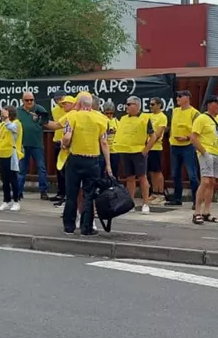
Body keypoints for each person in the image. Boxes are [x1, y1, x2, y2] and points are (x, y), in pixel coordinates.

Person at [59, 92, 112, 236]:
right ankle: (86, 228)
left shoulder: (72, 116)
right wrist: (108, 165)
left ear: (80, 104)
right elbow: (104, 142)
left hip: (75, 158)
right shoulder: (101, 119)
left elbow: (68, 136)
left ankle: (69, 227)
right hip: (93, 160)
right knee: (89, 195)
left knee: (71, 194)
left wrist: (64, 144)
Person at [113, 96, 156, 213]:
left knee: (142, 177)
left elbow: (153, 136)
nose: (126, 106)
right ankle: (130, 203)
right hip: (125, 151)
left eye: (129, 104)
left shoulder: (145, 118)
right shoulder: (123, 119)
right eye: (126, 104)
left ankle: (145, 203)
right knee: (129, 178)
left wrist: (146, 150)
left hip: (138, 152)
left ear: (137, 106)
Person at [190, 96, 218, 225]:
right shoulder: (201, 118)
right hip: (206, 152)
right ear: (210, 105)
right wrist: (204, 152)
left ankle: (207, 212)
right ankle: (197, 212)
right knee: (205, 181)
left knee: (212, 182)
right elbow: (193, 137)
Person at [16, 91, 51, 200]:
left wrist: (39, 118)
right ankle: (19, 191)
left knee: (41, 168)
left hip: (37, 143)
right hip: (23, 144)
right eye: (27, 100)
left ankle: (43, 191)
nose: (30, 102)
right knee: (22, 169)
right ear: (23, 101)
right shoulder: (18, 111)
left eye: (31, 99)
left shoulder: (39, 109)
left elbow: (46, 121)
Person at [168, 90, 200, 206]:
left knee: (192, 174)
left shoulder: (194, 113)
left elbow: (197, 131)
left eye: (180, 96)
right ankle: (177, 199)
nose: (177, 98)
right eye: (177, 97)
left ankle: (196, 200)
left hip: (188, 146)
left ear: (187, 98)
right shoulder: (175, 111)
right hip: (175, 146)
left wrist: (187, 138)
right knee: (175, 173)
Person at [0, 104, 24, 211]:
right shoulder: (3, 124)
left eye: (4, 113)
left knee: (13, 179)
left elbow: (12, 129)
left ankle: (16, 201)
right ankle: (6, 200)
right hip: (1, 154)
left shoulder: (17, 124)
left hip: (11, 154)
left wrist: (6, 118)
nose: (2, 115)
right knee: (4, 180)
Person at [48, 93, 75, 206]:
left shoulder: (73, 113)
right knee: (59, 169)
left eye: (62, 100)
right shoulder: (55, 110)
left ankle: (68, 196)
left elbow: (59, 125)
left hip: (68, 144)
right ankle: (61, 193)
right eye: (57, 100)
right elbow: (55, 125)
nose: (60, 102)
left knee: (67, 170)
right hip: (57, 140)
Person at [145, 97, 168, 201]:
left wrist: (151, 141)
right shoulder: (149, 116)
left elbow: (158, 134)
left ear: (159, 105)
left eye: (153, 104)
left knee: (157, 171)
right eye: (150, 104)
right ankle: (154, 192)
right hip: (148, 146)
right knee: (151, 171)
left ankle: (161, 193)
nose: (150, 106)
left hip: (156, 147)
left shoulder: (162, 117)